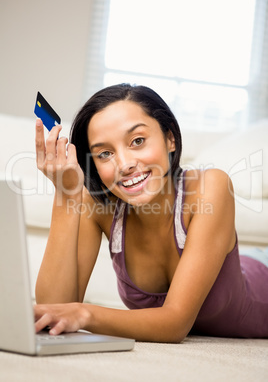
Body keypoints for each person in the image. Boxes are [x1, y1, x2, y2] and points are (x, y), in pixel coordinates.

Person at [34, 84, 268, 342]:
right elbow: (53, 312)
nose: (124, 165)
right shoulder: (99, 205)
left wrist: (85, 314)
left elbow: (175, 323)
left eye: (137, 141)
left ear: (170, 138)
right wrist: (67, 193)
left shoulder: (210, 187)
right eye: (105, 154)